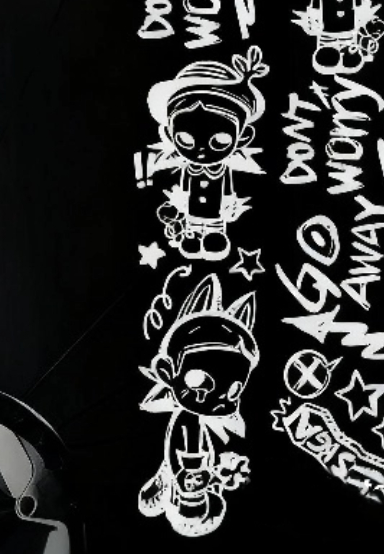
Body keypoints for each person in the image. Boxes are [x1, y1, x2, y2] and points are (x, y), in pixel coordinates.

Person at [139, 274, 257, 538]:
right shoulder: (187, 424)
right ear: (167, 371)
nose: (216, 399)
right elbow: (186, 459)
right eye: (200, 381)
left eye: (234, 390)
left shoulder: (190, 422)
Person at [147, 46, 268, 261]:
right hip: (191, 212)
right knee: (192, 228)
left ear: (243, 137)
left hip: (215, 212)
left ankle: (214, 236)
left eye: (220, 141)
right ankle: (192, 235)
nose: (201, 151)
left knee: (214, 230)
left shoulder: (223, 170)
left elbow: (228, 191)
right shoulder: (187, 169)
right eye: (185, 140)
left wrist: (228, 206)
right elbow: (183, 189)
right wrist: (176, 208)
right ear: (168, 134)